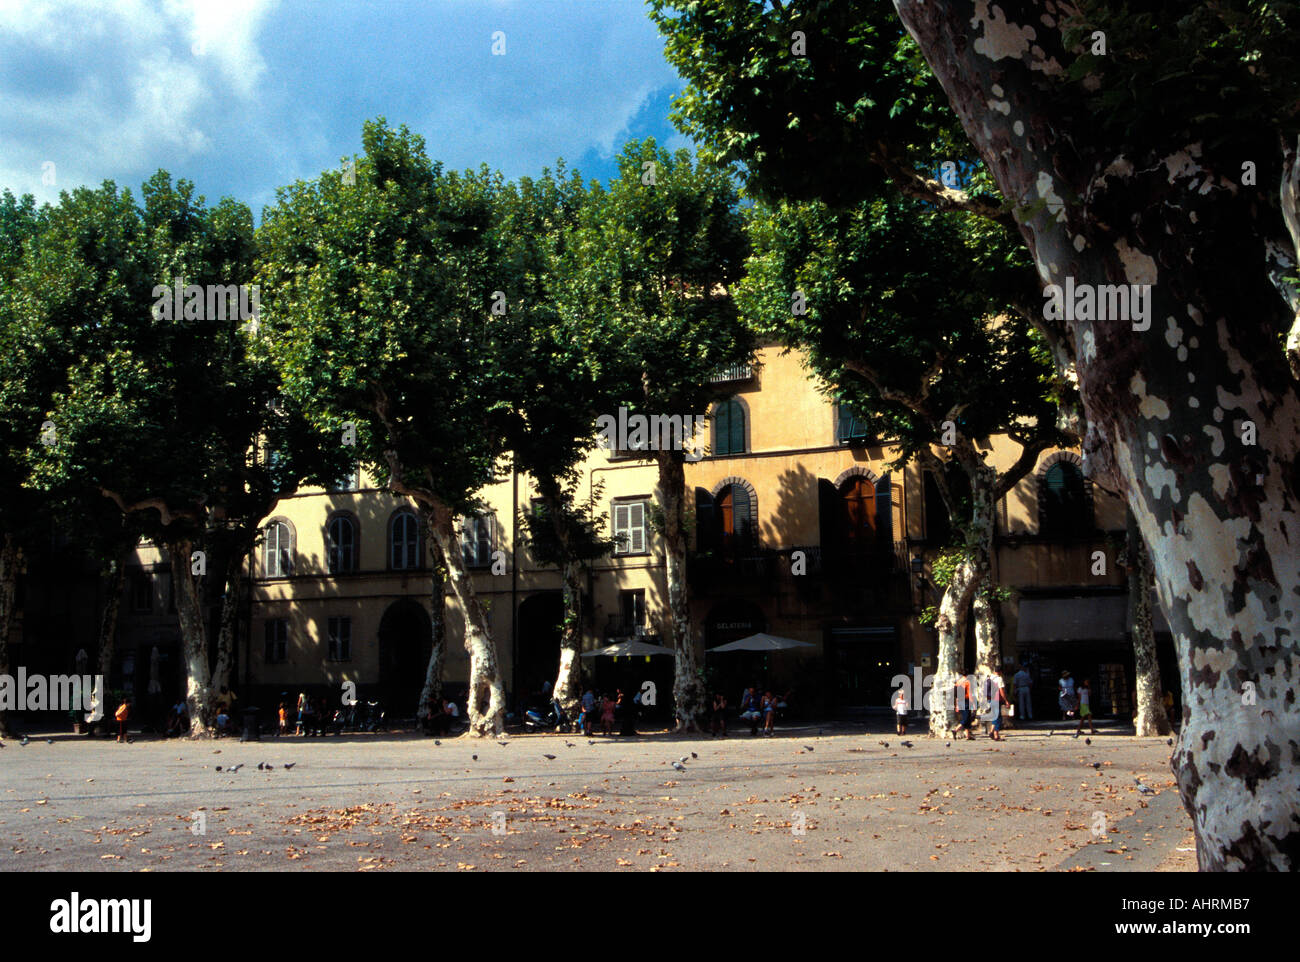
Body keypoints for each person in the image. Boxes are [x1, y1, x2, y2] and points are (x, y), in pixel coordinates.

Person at [952, 675, 976, 740]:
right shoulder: (967, 682)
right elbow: (970, 694)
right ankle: (955, 730)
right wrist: (973, 704)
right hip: (966, 701)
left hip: (960, 702)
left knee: (967, 718)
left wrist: (957, 705)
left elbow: (956, 696)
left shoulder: (958, 683)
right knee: (966, 719)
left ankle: (968, 736)